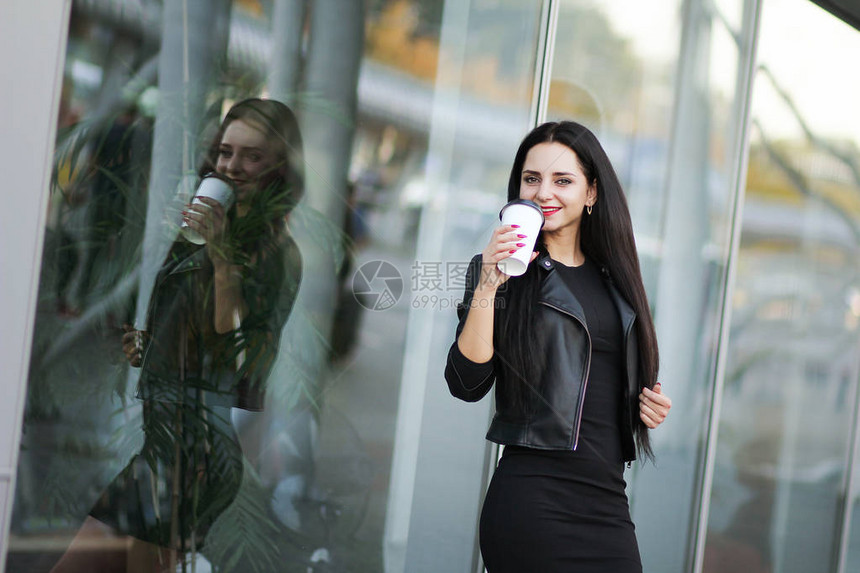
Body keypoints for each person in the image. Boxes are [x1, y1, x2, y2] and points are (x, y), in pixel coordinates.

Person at [51, 98, 304, 572]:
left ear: (279, 166)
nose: (232, 165)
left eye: (252, 155)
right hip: (166, 441)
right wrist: (145, 344)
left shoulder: (277, 254)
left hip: (192, 452)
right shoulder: (199, 229)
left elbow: (240, 353)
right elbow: (184, 337)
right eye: (226, 152)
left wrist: (223, 254)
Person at [445, 120, 672, 572]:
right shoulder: (498, 272)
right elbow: (466, 382)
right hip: (533, 503)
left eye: (562, 180)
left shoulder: (617, 278)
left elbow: (594, 383)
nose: (543, 192)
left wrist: (646, 404)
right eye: (532, 179)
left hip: (607, 504)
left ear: (591, 193)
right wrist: (489, 283)